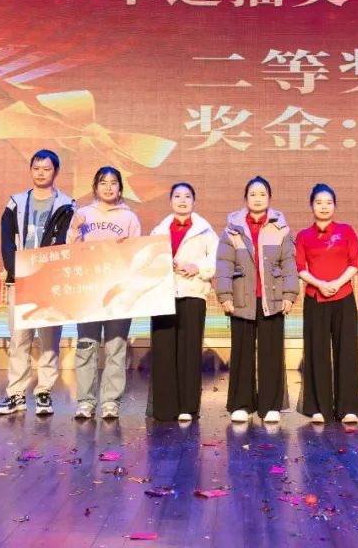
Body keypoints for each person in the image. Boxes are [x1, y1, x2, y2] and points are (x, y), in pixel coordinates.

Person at [0, 150, 75, 417]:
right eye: (36, 168)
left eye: (46, 169)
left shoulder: (67, 205)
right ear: (30, 170)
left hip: (50, 280)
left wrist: (50, 271)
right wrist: (15, 270)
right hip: (21, 278)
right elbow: (7, 240)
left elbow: (66, 242)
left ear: (56, 172)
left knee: (49, 338)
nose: (41, 173)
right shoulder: (15, 203)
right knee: (19, 338)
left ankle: (44, 392)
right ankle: (16, 393)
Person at [215, 176, 298, 424]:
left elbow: (289, 264)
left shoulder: (280, 228)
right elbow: (224, 265)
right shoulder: (232, 229)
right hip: (242, 299)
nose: (258, 199)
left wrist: (289, 294)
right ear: (245, 198)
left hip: (272, 299)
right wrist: (224, 295)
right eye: (253, 194)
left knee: (271, 353)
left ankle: (271, 405)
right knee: (242, 353)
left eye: (262, 194)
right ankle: (242, 404)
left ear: (269, 198)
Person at [69, 166, 142, 420]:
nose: (108, 187)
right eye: (103, 182)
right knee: (86, 346)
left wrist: (127, 248)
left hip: (118, 292)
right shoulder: (83, 214)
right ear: (95, 187)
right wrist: (75, 230)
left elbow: (137, 255)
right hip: (88, 291)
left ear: (120, 188)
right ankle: (85, 401)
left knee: (116, 347)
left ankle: (111, 401)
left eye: (113, 182)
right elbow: (70, 252)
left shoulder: (130, 218)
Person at [148, 182, 218, 422]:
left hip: (193, 293)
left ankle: (188, 407)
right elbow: (147, 259)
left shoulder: (205, 230)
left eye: (187, 196)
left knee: (190, 351)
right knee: (164, 351)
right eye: (177, 196)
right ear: (170, 201)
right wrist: (162, 264)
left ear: (193, 201)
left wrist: (197, 266)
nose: (182, 200)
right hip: (163, 295)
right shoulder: (158, 231)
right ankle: (165, 408)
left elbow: (217, 259)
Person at [295, 184, 358, 425]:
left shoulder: (346, 231)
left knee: (347, 351)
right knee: (317, 352)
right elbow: (299, 267)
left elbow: (355, 262)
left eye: (328, 202)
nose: (324, 207)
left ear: (335, 205)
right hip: (315, 298)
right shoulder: (304, 236)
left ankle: (348, 408)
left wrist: (336, 283)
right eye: (319, 202)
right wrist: (320, 284)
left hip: (343, 296)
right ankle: (318, 407)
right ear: (311, 206)